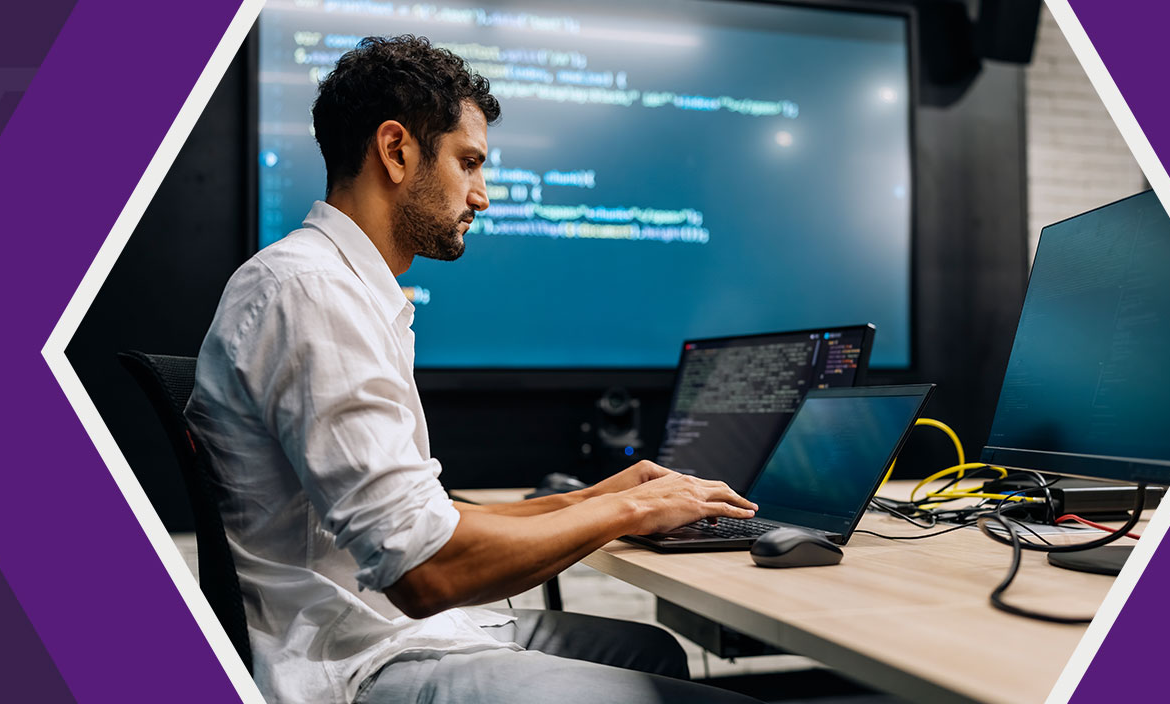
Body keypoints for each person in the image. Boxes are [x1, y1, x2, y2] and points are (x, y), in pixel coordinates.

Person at [185, 35, 764, 704]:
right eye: (468, 163)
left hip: (382, 627)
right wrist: (629, 508)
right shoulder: (311, 294)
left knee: (652, 652)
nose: (482, 196)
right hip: (352, 662)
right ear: (396, 151)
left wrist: (599, 499)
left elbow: (426, 518)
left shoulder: (343, 290)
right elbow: (424, 570)